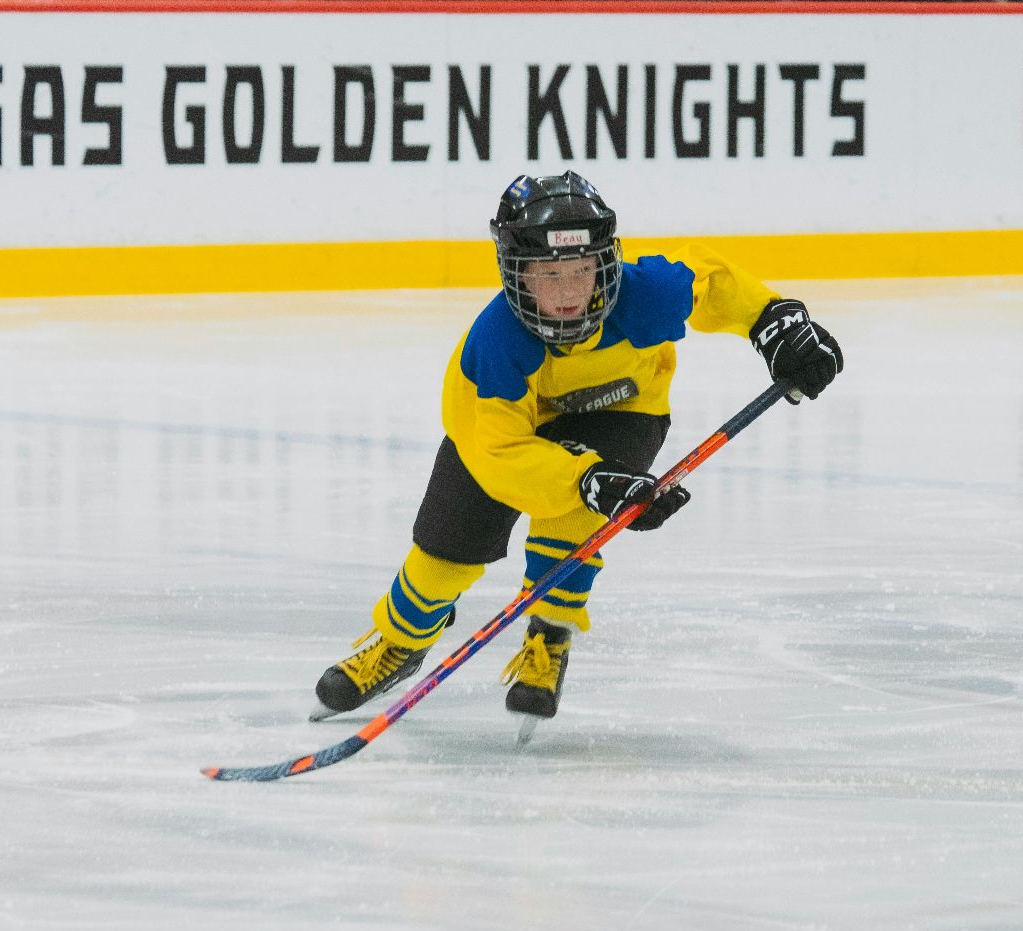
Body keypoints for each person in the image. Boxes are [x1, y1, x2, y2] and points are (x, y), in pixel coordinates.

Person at [309, 171, 841, 733]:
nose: (568, 294)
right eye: (549, 274)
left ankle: (550, 634)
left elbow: (712, 280)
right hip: (503, 439)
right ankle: (399, 642)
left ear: (604, 263)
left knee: (570, 524)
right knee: (445, 553)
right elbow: (500, 455)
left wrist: (774, 323)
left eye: (582, 271)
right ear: (517, 273)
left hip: (622, 412)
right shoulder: (494, 348)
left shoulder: (647, 297)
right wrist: (588, 477)